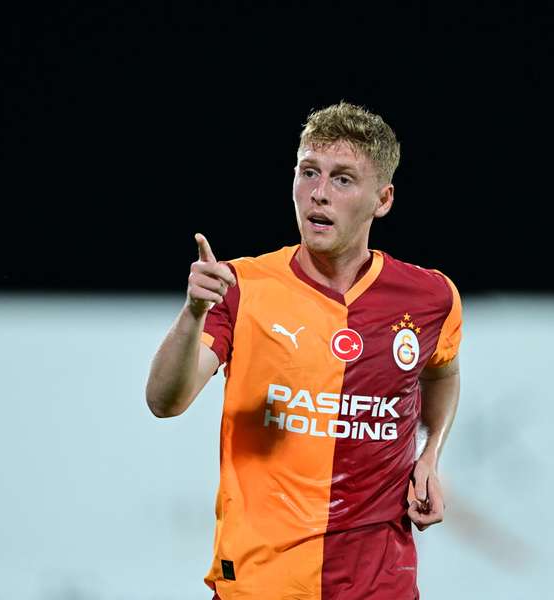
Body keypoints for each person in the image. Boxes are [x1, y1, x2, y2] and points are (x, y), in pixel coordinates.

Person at [145, 102, 463, 599]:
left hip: (379, 586)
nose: (319, 193)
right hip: (260, 584)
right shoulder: (242, 286)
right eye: (308, 172)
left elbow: (442, 374)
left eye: (342, 179)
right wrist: (192, 313)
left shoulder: (430, 298)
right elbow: (165, 402)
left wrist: (429, 455)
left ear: (383, 199)